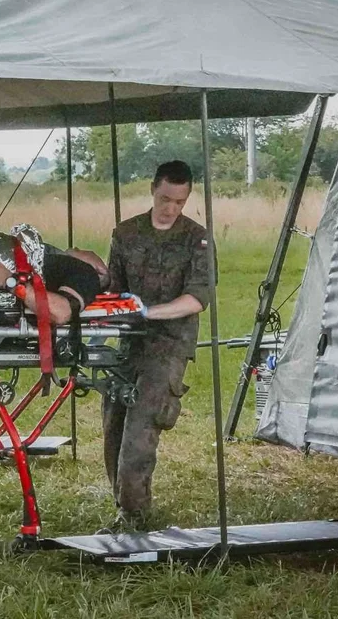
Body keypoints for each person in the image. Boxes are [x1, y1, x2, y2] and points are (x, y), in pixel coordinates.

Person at [101, 160, 213, 531]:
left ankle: (135, 516)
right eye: (165, 198)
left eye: (179, 202)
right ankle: (122, 504)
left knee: (140, 433)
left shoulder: (196, 238)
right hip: (127, 343)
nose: (170, 208)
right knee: (113, 427)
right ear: (153, 189)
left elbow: (198, 298)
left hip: (169, 345)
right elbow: (112, 290)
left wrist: (150, 312)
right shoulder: (126, 233)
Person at [0, 247, 109, 324]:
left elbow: (61, 312)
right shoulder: (51, 255)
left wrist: (10, 281)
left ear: (101, 271)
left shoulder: (86, 273)